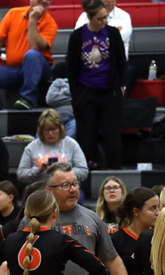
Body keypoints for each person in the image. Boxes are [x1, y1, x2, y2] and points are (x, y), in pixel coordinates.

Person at [67, 0, 127, 170]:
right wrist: (75, 94)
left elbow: (121, 62)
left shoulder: (112, 33)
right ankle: (87, 168)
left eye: (105, 17)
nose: (104, 22)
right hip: (85, 90)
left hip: (109, 90)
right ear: (89, 17)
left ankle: (114, 168)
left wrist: (121, 86)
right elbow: (71, 66)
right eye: (100, 19)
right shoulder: (77, 36)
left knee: (112, 134)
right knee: (86, 134)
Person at [0, 0, 58, 110]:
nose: (44, 0)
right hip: (14, 69)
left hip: (39, 69)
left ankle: (28, 99)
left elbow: (34, 46)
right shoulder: (13, 13)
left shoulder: (50, 23)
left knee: (32, 55)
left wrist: (32, 20)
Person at [75, 0, 136, 97]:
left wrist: (94, 36)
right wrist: (112, 32)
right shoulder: (85, 16)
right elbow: (79, 37)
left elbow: (120, 38)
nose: (109, 1)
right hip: (88, 62)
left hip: (114, 62)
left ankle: (118, 99)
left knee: (128, 71)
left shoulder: (124, 16)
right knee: (63, 68)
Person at [17, 109, 89, 184]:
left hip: (66, 186)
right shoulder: (32, 147)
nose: (50, 133)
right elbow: (21, 175)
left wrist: (64, 171)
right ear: (41, 131)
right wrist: (38, 170)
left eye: (53, 129)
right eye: (47, 130)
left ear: (60, 129)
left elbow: (83, 171)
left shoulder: (72, 144)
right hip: (40, 187)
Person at [46, 62, 77, 138]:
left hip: (73, 117)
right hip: (57, 116)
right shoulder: (58, 82)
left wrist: (62, 94)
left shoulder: (78, 83)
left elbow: (82, 98)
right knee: (45, 124)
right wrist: (73, 98)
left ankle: (63, 145)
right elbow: (50, 99)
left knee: (75, 125)